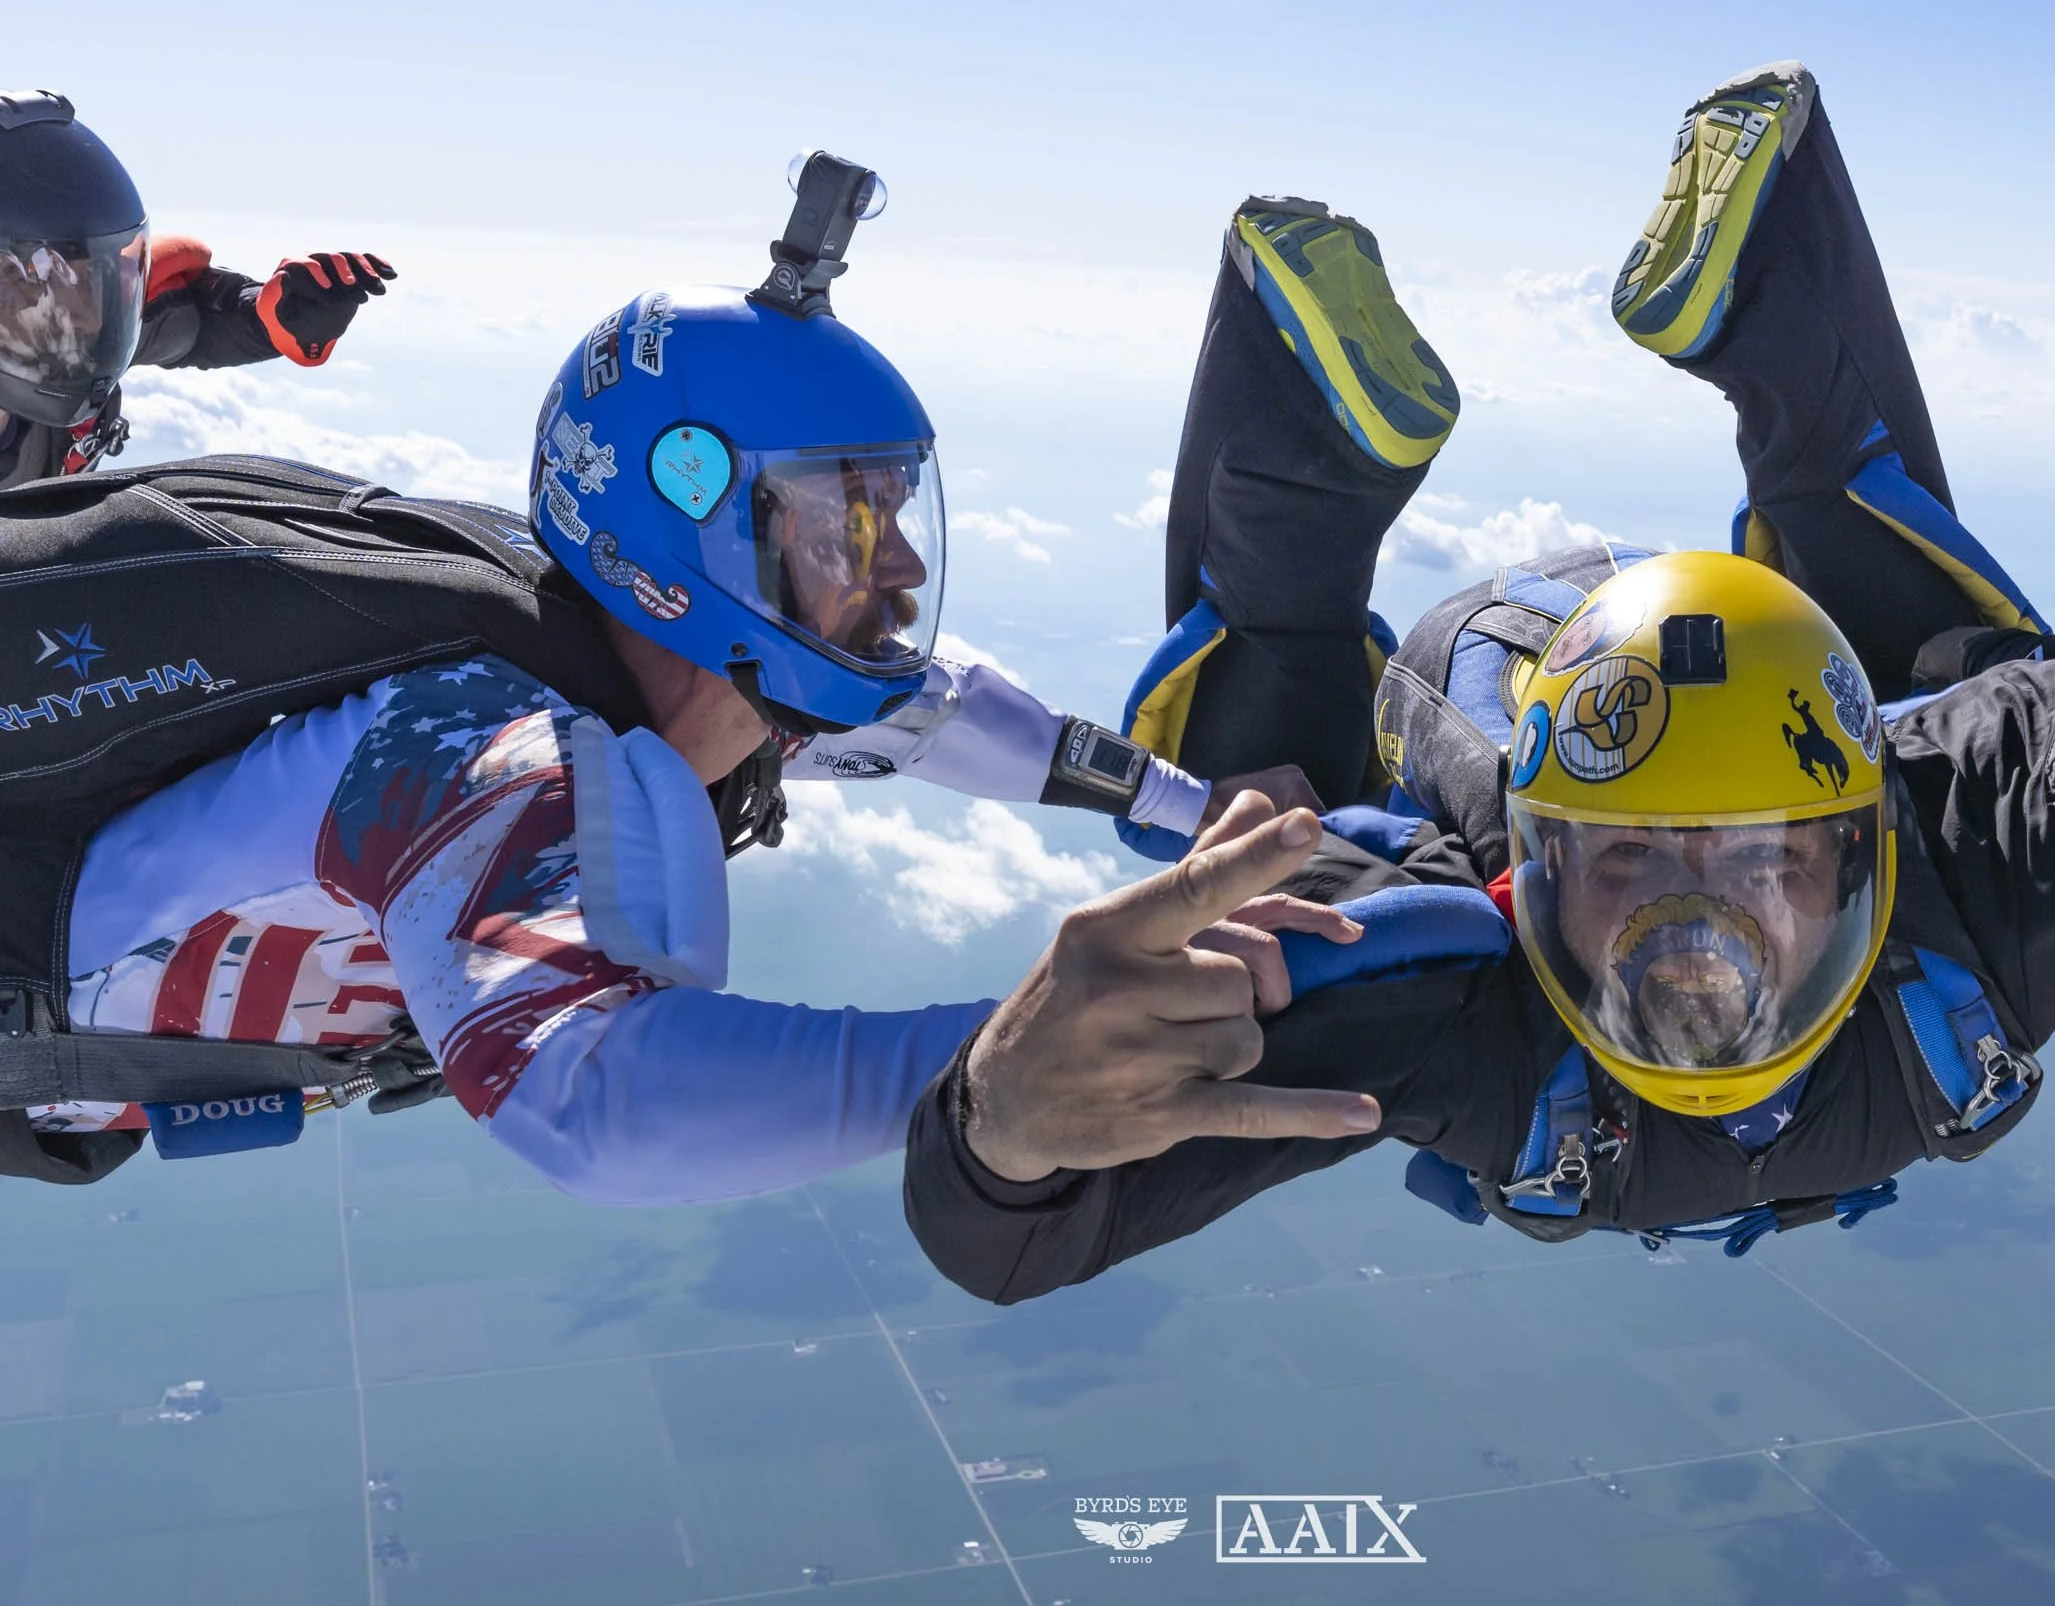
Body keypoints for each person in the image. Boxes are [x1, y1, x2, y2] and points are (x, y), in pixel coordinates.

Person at [902, 63, 2055, 1302]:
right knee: (1256, 839)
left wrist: (1005, 1127)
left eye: (1761, 859)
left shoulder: (1461, 1022)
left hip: (1634, 694)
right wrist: (1015, 1107)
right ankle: (1751, 301)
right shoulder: (1975, 897)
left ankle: (1330, 450)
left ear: (1859, 852)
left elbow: (1008, 1236)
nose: (1699, 939)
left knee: (1256, 817)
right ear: (1528, 880)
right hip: (1517, 660)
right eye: (1629, 866)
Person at [15, 155, 1344, 1196]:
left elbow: (940, 707)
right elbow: (598, 1106)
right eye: (848, 528)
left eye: (895, 516)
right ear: (689, 545)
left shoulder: (668, 654)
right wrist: (999, 1067)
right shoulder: (474, 743)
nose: (895, 580)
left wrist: (1197, 807)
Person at [0, 89, 395, 489]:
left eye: (93, 275)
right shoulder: (52, 337)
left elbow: (188, 320)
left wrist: (274, 315)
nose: (88, 313)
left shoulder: (65, 339)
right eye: (27, 280)